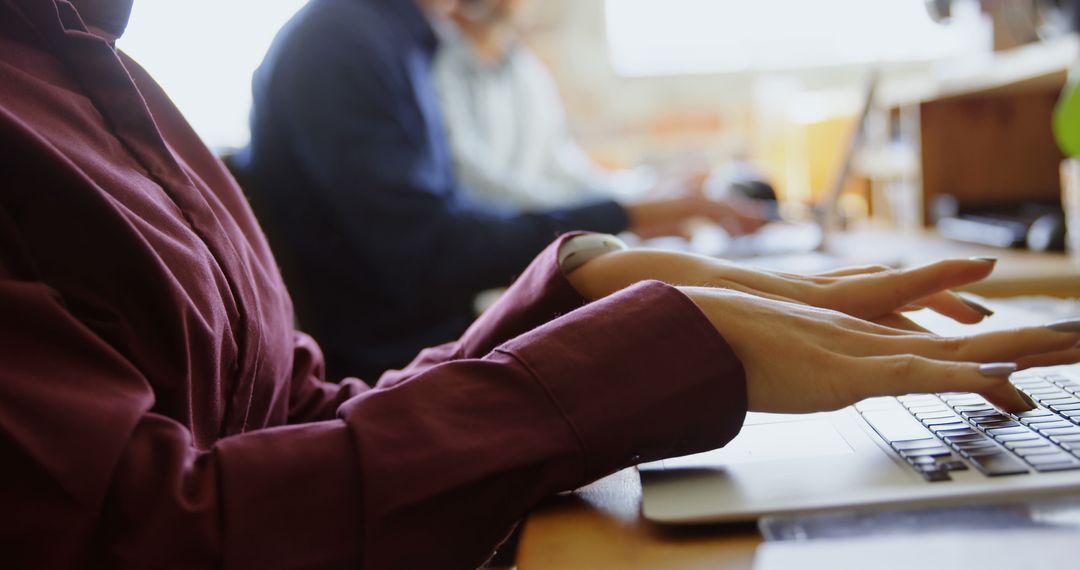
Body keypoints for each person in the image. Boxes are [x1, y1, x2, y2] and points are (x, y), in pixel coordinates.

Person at [4, 0, 1080, 568]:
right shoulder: (341, 40)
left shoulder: (102, 66)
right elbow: (149, 537)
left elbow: (289, 418)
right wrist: (646, 351)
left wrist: (590, 290)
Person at [234, 0, 764, 379]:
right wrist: (627, 212)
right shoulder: (344, 42)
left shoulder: (395, 37)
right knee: (682, 332)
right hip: (398, 361)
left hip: (437, 327)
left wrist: (632, 210)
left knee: (700, 309)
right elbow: (432, 255)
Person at [434, 0, 661, 210]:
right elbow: (472, 178)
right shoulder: (443, 69)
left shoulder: (527, 70)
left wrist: (633, 190)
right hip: (495, 225)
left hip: (540, 213)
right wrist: (573, 208)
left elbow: (560, 162)